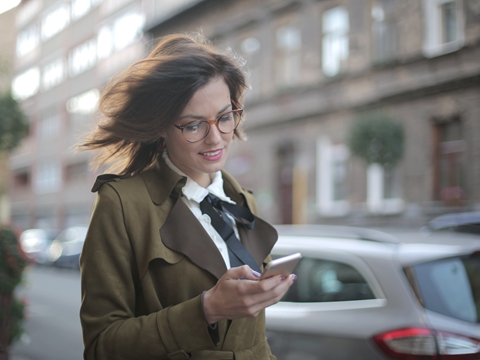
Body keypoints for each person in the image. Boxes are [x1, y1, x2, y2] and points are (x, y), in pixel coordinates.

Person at [77, 33, 296, 360]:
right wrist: (206, 309)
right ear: (162, 126)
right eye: (194, 125)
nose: (215, 138)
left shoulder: (242, 201)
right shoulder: (122, 204)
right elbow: (102, 346)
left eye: (224, 117)